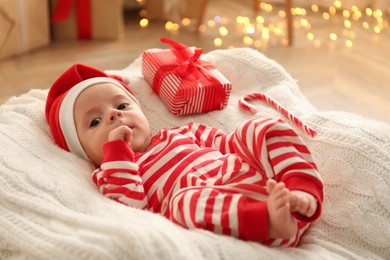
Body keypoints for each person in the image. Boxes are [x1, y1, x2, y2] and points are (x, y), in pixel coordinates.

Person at [46, 63, 324, 247]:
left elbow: (229, 146)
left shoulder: (180, 133)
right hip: (237, 216)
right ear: (81, 150)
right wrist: (117, 152)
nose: (113, 115)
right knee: (182, 202)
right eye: (94, 122)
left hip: (272, 188)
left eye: (121, 105)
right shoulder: (111, 173)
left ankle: (303, 190)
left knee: (260, 128)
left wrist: (251, 146)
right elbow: (132, 207)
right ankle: (267, 219)